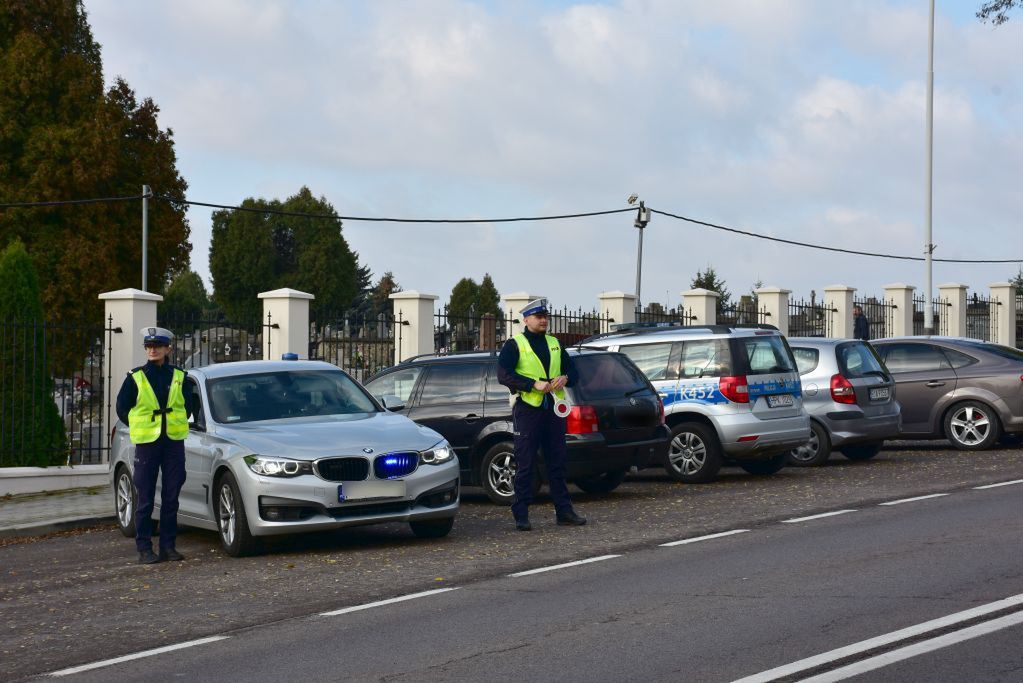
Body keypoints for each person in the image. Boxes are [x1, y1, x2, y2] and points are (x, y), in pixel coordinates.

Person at [497, 298, 586, 531]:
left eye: (545, 316)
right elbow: (503, 375)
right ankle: (521, 514)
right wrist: (530, 384)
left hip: (554, 408)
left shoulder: (555, 343)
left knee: (557, 462)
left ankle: (564, 511)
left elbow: (574, 372)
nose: (544, 320)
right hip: (528, 408)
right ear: (526, 320)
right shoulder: (514, 344)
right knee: (525, 463)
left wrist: (565, 378)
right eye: (539, 317)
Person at [116, 327, 191, 564]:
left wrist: (172, 423)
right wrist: (142, 425)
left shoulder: (179, 376)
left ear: (168, 349)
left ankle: (168, 547)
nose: (152, 350)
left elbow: (190, 406)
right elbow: (122, 408)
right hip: (147, 444)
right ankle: (144, 549)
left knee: (171, 496)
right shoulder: (135, 377)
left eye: (157, 346)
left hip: (173, 444)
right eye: (149, 346)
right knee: (145, 497)